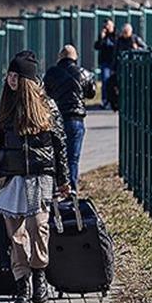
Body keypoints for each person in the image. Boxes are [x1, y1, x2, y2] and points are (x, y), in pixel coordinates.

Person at [0, 50, 70, 303]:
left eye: (17, 76)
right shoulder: (2, 107)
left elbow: (59, 144)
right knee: (16, 233)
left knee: (38, 226)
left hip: (40, 176)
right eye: (9, 75)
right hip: (11, 177)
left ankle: (39, 273)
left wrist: (64, 180)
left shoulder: (47, 107)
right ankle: (22, 281)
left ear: (28, 80)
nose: (11, 80)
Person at [43, 45, 96, 193]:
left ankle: (54, 188)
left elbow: (45, 93)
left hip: (56, 118)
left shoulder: (52, 73)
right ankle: (70, 189)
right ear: (75, 57)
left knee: (54, 154)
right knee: (72, 157)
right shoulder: (84, 73)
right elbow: (91, 93)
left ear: (59, 57)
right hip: (75, 119)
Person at [93, 19, 116, 109]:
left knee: (114, 82)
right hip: (105, 62)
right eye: (105, 26)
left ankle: (113, 100)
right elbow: (97, 46)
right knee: (105, 81)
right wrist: (102, 38)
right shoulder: (103, 35)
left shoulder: (116, 35)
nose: (107, 28)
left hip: (114, 61)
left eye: (108, 26)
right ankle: (105, 100)